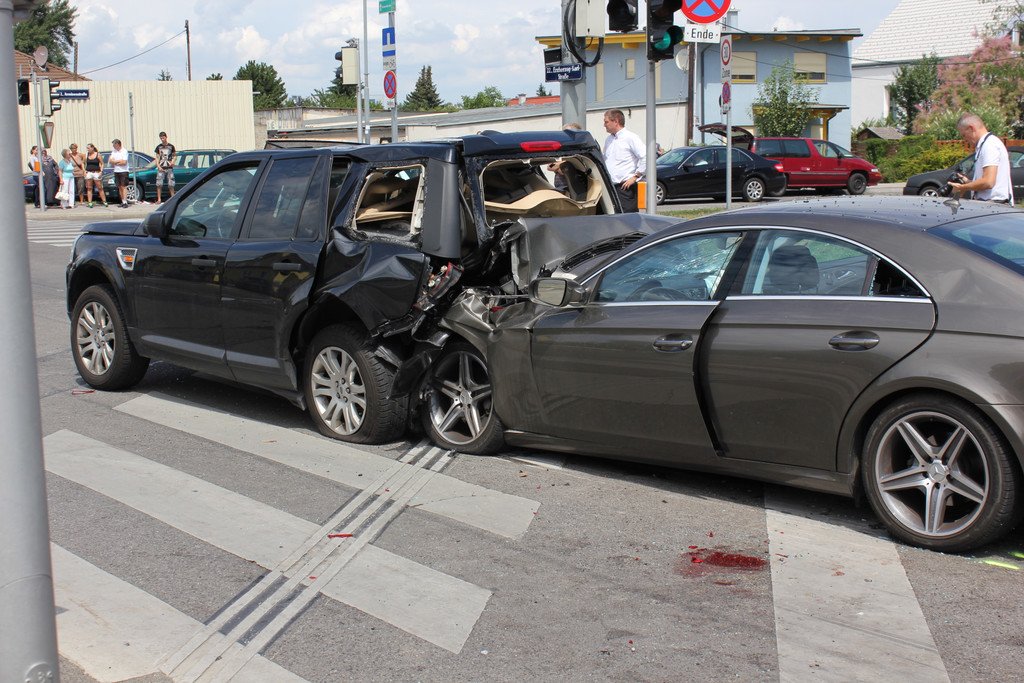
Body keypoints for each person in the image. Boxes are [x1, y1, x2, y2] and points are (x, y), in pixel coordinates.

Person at [948, 113, 1014, 204]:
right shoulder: (985, 144)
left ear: (971, 128)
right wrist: (967, 182)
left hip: (994, 205)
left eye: (964, 135)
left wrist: (963, 188)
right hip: (991, 204)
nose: (965, 139)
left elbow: (988, 182)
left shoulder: (989, 145)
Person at [602, 109, 646, 212]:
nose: (604, 125)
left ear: (616, 121)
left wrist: (636, 176)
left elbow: (646, 157)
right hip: (611, 188)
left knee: (628, 218)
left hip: (625, 188)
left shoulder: (631, 137)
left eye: (606, 122)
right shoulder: (609, 140)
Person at [548, 122, 583, 194]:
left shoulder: (579, 150)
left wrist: (558, 165)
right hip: (559, 188)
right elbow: (549, 166)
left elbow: (567, 169)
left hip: (574, 189)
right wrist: (563, 164)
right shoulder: (559, 149)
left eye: (567, 133)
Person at [154, 131, 176, 202]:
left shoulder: (171, 146)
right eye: (161, 138)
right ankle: (159, 199)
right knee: (159, 184)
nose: (162, 139)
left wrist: (173, 162)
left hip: (169, 168)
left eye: (163, 138)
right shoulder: (158, 147)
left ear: (166, 137)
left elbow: (174, 156)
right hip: (161, 168)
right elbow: (157, 157)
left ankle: (173, 198)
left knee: (171, 184)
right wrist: (158, 166)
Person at [84, 143, 108, 207]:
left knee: (100, 187)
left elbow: (102, 163)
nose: (87, 149)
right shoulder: (86, 155)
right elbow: (83, 163)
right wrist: (84, 171)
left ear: (92, 148)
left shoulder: (98, 155)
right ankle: (90, 202)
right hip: (89, 172)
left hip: (96, 172)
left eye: (88, 148)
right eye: (87, 148)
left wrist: (101, 171)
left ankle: (104, 201)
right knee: (89, 188)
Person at [109, 139, 130, 208]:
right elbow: (110, 161)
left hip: (123, 171)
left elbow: (124, 162)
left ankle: (125, 202)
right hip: (116, 171)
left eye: (114, 145)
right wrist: (118, 161)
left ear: (118, 144)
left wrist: (115, 162)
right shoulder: (114, 151)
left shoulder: (124, 151)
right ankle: (122, 201)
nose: (113, 146)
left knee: (124, 186)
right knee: (119, 187)